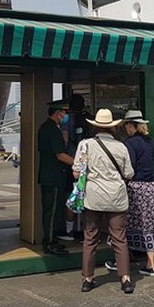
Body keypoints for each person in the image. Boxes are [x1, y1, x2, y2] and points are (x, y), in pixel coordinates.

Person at [73, 109, 136, 294]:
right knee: (119, 238)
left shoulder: (85, 145)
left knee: (90, 238)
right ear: (113, 127)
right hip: (117, 197)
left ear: (95, 126)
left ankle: (87, 278)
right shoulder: (121, 147)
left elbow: (76, 172)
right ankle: (125, 279)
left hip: (93, 198)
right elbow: (129, 173)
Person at [117, 111, 154, 276]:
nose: (125, 128)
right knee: (149, 224)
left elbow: (129, 167)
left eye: (127, 124)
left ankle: (121, 260)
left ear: (131, 125)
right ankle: (151, 264)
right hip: (149, 187)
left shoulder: (130, 143)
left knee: (125, 224)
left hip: (135, 187)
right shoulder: (150, 142)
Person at [38, 101, 73, 255]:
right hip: (52, 176)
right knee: (51, 211)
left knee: (53, 210)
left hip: (51, 176)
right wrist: (78, 163)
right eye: (64, 113)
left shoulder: (47, 128)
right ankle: (50, 243)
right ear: (58, 112)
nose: (65, 116)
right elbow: (60, 155)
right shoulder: (52, 130)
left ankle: (53, 240)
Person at [61, 94, 91, 241]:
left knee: (71, 196)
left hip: (72, 162)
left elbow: (65, 140)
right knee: (86, 197)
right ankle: (87, 230)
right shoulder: (88, 118)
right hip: (88, 163)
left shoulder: (66, 119)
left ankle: (69, 230)